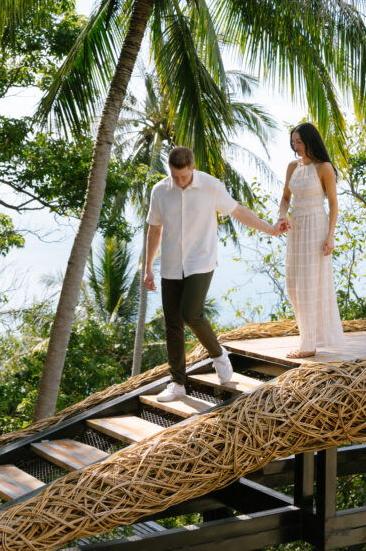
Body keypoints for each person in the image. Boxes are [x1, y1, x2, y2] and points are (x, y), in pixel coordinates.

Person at [145, 145, 287, 401]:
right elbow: (155, 229)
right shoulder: (160, 191)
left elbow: (238, 211)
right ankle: (177, 383)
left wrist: (269, 229)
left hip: (201, 262)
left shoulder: (211, 186)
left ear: (193, 167)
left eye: (185, 176)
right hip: (170, 266)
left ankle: (218, 355)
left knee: (191, 313)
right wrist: (148, 268)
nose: (180, 181)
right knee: (173, 325)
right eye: (175, 176)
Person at [278, 122, 345, 358]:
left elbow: (334, 204)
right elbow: (285, 198)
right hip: (296, 227)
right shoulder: (292, 167)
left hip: (316, 226)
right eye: (293, 142)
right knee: (293, 284)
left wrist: (330, 236)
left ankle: (308, 344)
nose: (296, 147)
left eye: (300, 142)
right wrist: (281, 217)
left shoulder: (324, 167)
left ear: (310, 141)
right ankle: (308, 337)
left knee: (309, 283)